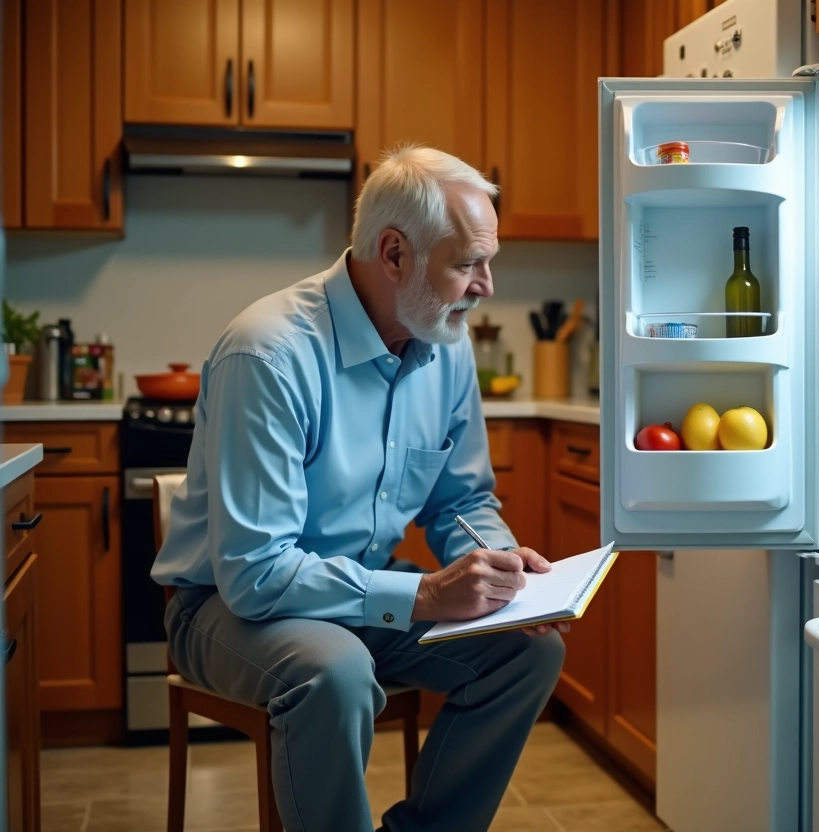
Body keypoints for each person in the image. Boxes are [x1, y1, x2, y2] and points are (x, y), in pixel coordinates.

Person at [152, 145, 567, 832]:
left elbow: (461, 501)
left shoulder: (447, 346)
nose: (487, 286)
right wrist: (426, 594)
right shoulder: (269, 354)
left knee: (529, 652)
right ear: (395, 254)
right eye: (467, 263)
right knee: (335, 671)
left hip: (363, 592)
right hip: (226, 609)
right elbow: (255, 574)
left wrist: (501, 569)